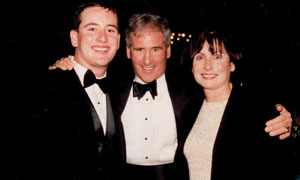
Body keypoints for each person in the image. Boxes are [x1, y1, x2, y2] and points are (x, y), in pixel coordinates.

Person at [50, 13, 293, 180]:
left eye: (156, 49)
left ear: (168, 51)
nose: (147, 60)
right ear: (127, 51)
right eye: (139, 50)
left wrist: (287, 119)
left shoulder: (190, 92)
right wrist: (68, 64)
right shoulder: (112, 89)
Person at [177, 29, 297, 180]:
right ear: (192, 66)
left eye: (217, 56)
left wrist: (293, 128)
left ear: (232, 64)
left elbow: (283, 167)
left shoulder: (256, 110)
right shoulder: (189, 110)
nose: (207, 66)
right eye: (200, 57)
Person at [26, 2, 125, 180]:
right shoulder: (44, 89)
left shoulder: (123, 90)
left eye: (110, 30)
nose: (103, 38)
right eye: (92, 29)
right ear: (74, 38)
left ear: (118, 41)